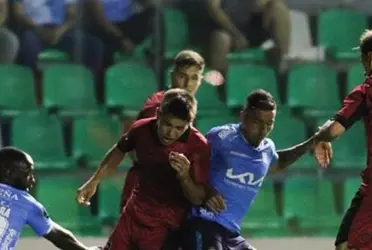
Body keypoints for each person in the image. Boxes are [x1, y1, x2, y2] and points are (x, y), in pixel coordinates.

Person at [179, 89, 331, 250]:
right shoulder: (221, 138)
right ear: (243, 116)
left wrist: (312, 142)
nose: (263, 130)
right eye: (257, 123)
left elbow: (278, 163)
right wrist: (206, 192)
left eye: (269, 124)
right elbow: (191, 166)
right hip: (204, 222)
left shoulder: (267, 149)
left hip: (231, 233)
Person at [76, 88, 211, 250]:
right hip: (132, 216)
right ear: (158, 114)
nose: (171, 133)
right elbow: (119, 150)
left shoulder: (198, 146)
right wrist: (94, 181)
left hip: (164, 227)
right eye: (167, 124)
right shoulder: (141, 129)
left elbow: (197, 198)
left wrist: (184, 177)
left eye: (179, 128)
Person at [119, 50, 206, 210]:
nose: (187, 84)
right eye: (182, 76)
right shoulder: (158, 105)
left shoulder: (187, 107)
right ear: (172, 75)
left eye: (194, 78)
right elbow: (136, 148)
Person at [314, 29, 372, 250]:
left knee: (346, 245)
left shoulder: (366, 91)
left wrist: (322, 137)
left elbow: (335, 129)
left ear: (370, 58)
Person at [0, 147, 99, 250]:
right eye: (28, 174)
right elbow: (59, 236)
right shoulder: (26, 203)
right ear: (8, 174)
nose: (33, 180)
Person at [10, 0, 103, 74]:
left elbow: (72, 15)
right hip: (33, 28)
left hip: (62, 30)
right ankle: (33, 85)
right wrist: (39, 30)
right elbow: (18, 13)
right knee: (28, 43)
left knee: (93, 45)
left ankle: (87, 85)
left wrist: (59, 31)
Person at [84, 0, 154, 63]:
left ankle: (153, 56)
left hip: (127, 22)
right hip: (107, 28)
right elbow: (101, 19)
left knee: (154, 13)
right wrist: (122, 39)